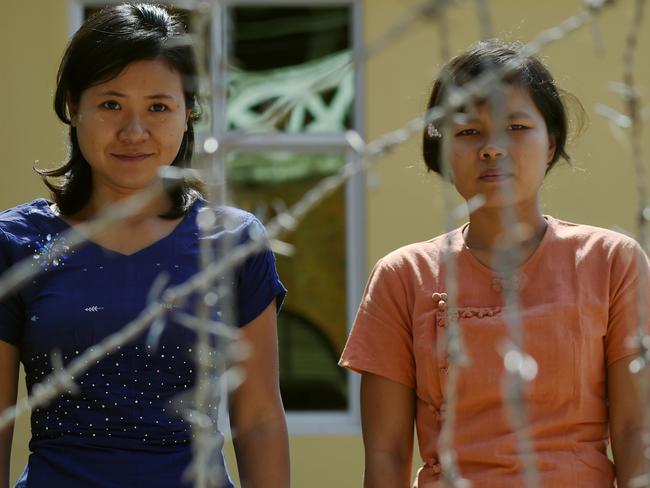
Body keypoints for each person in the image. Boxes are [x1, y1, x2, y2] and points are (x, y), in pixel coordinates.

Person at [0, 4, 289, 488]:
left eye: (158, 106)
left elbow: (258, 416)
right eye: (111, 104)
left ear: (190, 110)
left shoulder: (234, 242)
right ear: (73, 106)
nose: (135, 132)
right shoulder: (14, 242)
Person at [340, 40, 648, 487]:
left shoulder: (612, 262)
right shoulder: (403, 276)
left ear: (550, 145)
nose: (491, 148)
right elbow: (386, 455)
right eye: (467, 133)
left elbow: (637, 431)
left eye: (517, 126)